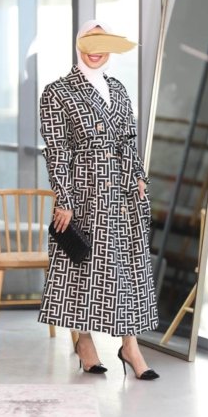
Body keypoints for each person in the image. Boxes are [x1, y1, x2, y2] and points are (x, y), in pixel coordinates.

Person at [38, 19, 159, 380]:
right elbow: (57, 150)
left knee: (126, 267)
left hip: (122, 192)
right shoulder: (58, 92)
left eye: (102, 44)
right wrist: (64, 198)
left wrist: (138, 176)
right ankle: (85, 342)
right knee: (83, 265)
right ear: (79, 45)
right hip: (84, 191)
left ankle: (130, 346)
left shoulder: (118, 89)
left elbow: (129, 140)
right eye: (89, 44)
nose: (95, 52)